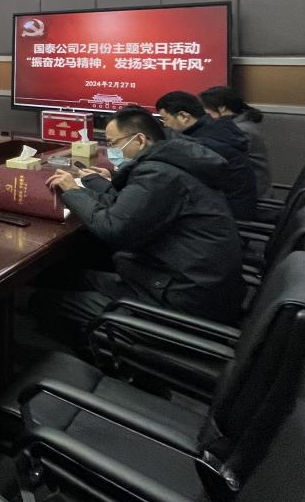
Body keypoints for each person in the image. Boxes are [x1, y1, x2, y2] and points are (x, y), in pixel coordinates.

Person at [32, 107, 244, 345]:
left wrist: (73, 191)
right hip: (188, 282)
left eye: (113, 143)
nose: (111, 150)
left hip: (179, 299)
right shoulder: (174, 162)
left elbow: (113, 227)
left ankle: (103, 356)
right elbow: (128, 207)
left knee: (43, 301)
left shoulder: (160, 173)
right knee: (67, 275)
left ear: (140, 139)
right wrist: (93, 185)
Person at [155, 90, 257, 221]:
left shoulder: (203, 144)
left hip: (227, 215)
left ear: (183, 116)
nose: (165, 125)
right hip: (236, 205)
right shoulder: (215, 127)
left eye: (165, 119)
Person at [200, 85, 271, 198]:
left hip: (250, 196)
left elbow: (222, 162)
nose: (205, 113)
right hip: (247, 189)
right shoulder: (243, 124)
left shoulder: (240, 130)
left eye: (206, 108)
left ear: (222, 108)